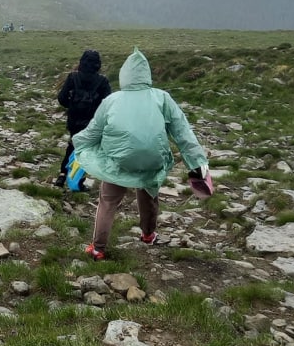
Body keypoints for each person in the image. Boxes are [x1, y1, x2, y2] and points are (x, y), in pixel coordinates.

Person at [73, 48, 208, 260]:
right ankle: (148, 234)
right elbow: (183, 133)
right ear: (146, 75)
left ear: (124, 75)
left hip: (119, 161)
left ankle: (98, 248)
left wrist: (77, 145)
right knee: (149, 196)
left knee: (108, 201)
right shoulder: (162, 98)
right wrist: (197, 162)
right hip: (152, 159)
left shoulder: (112, 100)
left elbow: (93, 131)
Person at [54, 49, 113, 188]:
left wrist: (73, 105)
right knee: (88, 149)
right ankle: (78, 180)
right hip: (93, 120)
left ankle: (62, 174)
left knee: (73, 144)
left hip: (74, 119)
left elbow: (62, 98)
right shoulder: (102, 81)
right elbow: (108, 103)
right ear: (97, 64)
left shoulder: (73, 77)